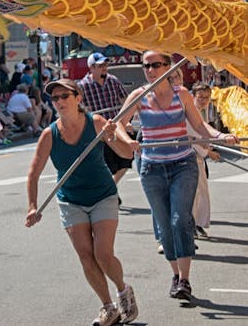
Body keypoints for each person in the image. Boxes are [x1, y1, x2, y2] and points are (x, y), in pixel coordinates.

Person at [117, 51, 239, 303]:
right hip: (151, 167)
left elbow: (200, 125)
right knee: (163, 223)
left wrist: (220, 137)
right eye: (146, 66)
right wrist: (128, 140)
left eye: (155, 65)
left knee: (180, 218)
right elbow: (119, 123)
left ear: (168, 67)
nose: (149, 70)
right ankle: (175, 276)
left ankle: (184, 279)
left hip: (183, 163)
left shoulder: (182, 94)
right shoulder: (138, 95)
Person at [26, 79, 138, 326]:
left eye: (64, 96)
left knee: (103, 254)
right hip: (71, 200)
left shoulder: (97, 123)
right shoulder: (49, 135)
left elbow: (126, 154)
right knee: (86, 256)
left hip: (102, 195)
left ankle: (122, 289)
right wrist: (32, 206)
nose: (59, 102)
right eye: (54, 98)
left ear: (78, 98)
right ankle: (108, 307)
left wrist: (112, 137)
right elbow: (33, 173)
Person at [79, 53, 133, 200]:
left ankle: (111, 188)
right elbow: (79, 110)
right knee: (107, 165)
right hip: (99, 132)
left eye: (105, 65)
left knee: (126, 160)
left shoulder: (113, 81)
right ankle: (109, 191)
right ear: (91, 68)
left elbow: (124, 102)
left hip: (117, 129)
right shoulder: (82, 86)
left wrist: (127, 120)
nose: (104, 69)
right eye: (100, 66)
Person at [188, 82, 222, 239]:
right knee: (194, 192)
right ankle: (192, 223)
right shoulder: (191, 112)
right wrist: (208, 151)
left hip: (199, 154)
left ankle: (198, 222)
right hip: (190, 154)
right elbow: (191, 137)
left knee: (202, 191)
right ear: (193, 97)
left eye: (206, 98)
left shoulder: (204, 111)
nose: (203, 100)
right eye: (200, 97)